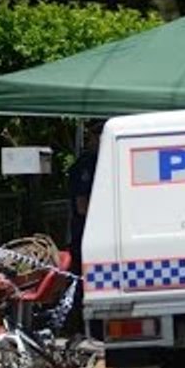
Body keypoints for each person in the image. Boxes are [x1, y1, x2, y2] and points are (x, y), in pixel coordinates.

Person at [67, 120, 104, 336]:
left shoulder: (100, 162)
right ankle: (82, 330)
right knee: (86, 285)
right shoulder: (86, 165)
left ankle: (88, 329)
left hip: (95, 237)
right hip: (86, 237)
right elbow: (83, 206)